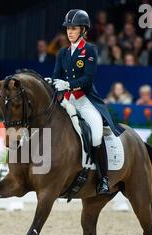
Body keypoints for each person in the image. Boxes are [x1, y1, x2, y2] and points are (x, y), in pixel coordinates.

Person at [48, 9, 125, 194]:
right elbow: (56, 75)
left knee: (97, 135)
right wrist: (52, 82)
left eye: (74, 28)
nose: (70, 32)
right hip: (67, 102)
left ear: (83, 30)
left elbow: (88, 79)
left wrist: (67, 84)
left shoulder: (89, 51)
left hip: (85, 101)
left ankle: (104, 178)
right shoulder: (62, 53)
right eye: (68, 28)